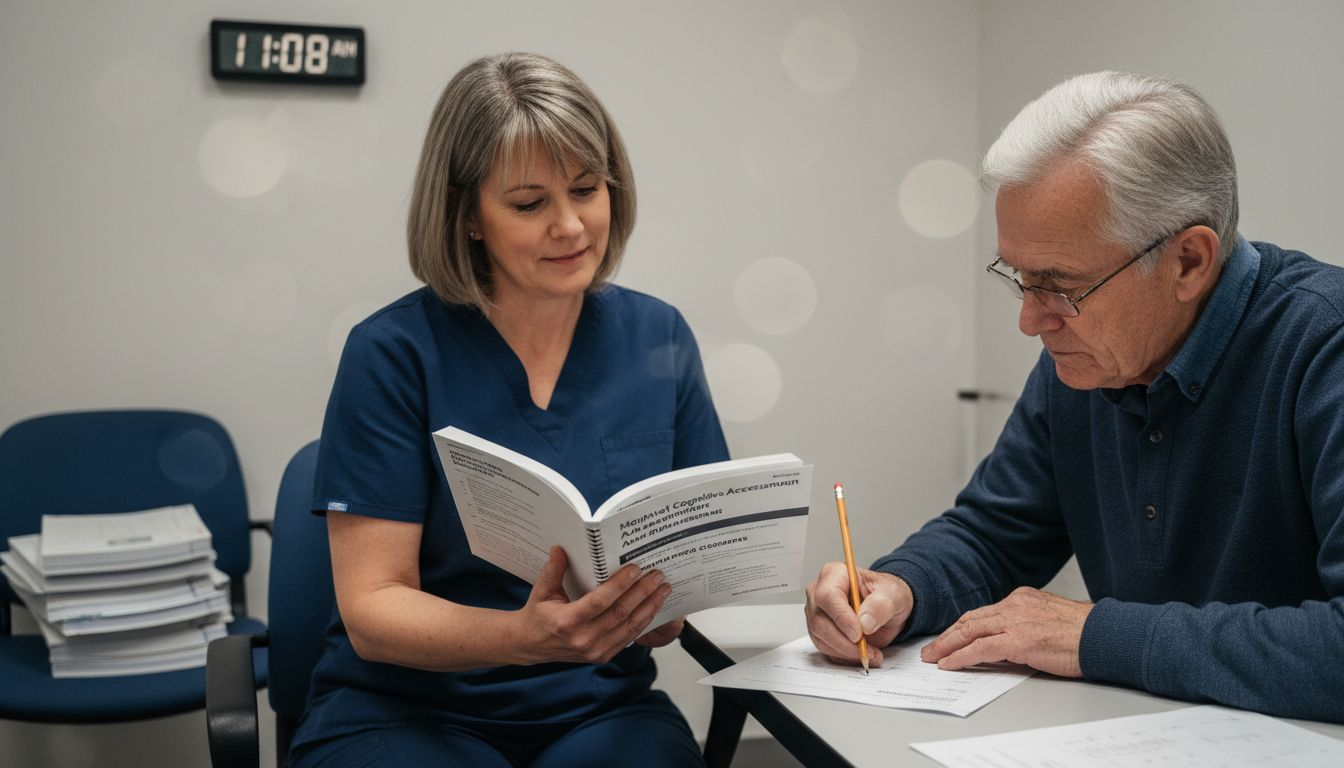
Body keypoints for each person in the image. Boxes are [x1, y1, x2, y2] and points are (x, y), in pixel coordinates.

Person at [805, 71, 1344, 723]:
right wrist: (900, 588)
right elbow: (994, 533)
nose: (1031, 321)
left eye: (1061, 286)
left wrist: (1096, 637)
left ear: (1189, 262)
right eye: (1020, 279)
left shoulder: (1323, 349)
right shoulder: (1093, 359)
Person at [289, 52, 729, 767]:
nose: (571, 226)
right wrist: (523, 639)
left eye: (587, 190)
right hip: (408, 712)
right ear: (466, 216)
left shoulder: (660, 338)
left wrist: (658, 612)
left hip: (598, 708)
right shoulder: (393, 353)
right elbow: (372, 611)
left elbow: (701, 556)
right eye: (529, 204)